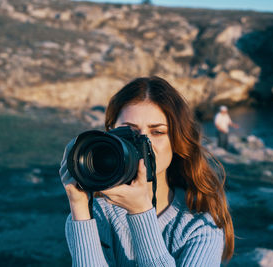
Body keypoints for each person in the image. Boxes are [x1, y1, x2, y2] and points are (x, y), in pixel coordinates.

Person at [59, 76, 234, 266]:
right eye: (130, 132)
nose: (143, 144)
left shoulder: (199, 226)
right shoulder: (94, 216)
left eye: (157, 132)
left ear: (176, 141)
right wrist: (78, 206)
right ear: (110, 135)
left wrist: (141, 212)